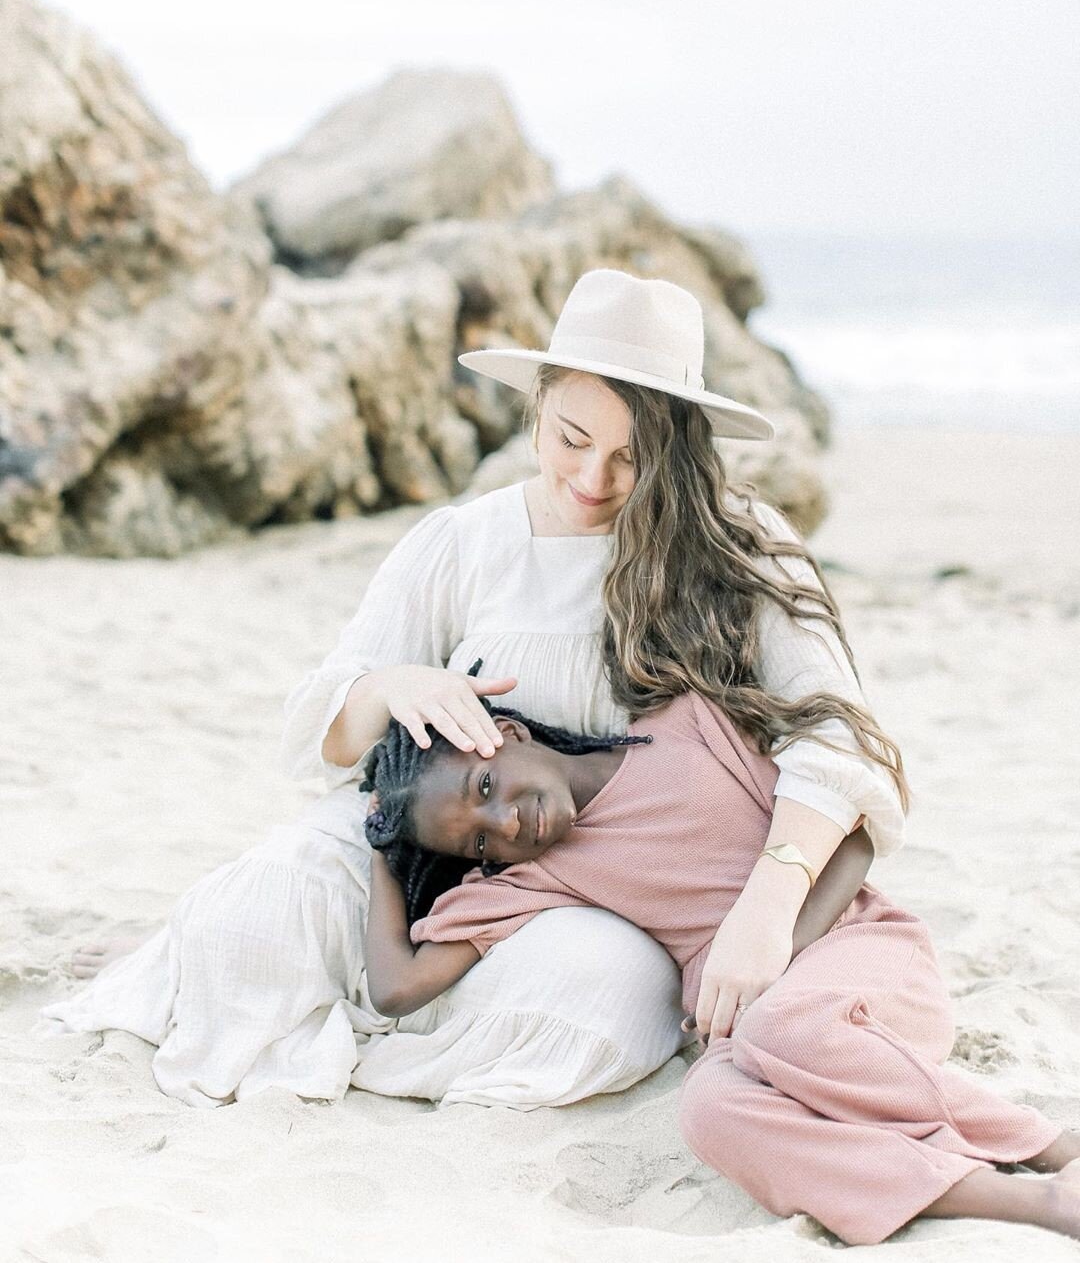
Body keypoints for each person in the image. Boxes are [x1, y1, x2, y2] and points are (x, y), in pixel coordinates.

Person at [45, 267, 909, 1108]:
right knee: (263, 904)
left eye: (631, 458)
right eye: (571, 438)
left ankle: (349, 1007)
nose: (594, 480)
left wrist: (769, 904)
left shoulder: (739, 544)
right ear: (536, 405)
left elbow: (843, 742)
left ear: (680, 447)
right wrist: (398, 682)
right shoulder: (463, 541)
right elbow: (327, 739)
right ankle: (235, 955)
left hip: (609, 894)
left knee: (592, 998)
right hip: (443, 846)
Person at [354, 681, 1080, 1246]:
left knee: (779, 1023)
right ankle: (1036, 1202)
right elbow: (398, 988)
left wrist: (777, 953)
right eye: (479, 845)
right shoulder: (536, 877)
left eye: (485, 789)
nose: (506, 824)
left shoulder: (688, 730)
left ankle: (1046, 1144)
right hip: (760, 1038)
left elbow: (852, 834)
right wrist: (385, 848)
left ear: (504, 733)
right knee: (707, 1109)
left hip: (862, 963)